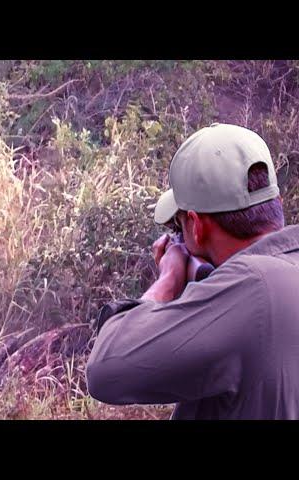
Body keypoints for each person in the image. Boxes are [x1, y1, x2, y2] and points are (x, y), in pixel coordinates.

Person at [85, 122, 299, 420]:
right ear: (275, 203)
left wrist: (169, 279)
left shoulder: (254, 287)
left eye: (179, 226)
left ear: (197, 227)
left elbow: (106, 370)